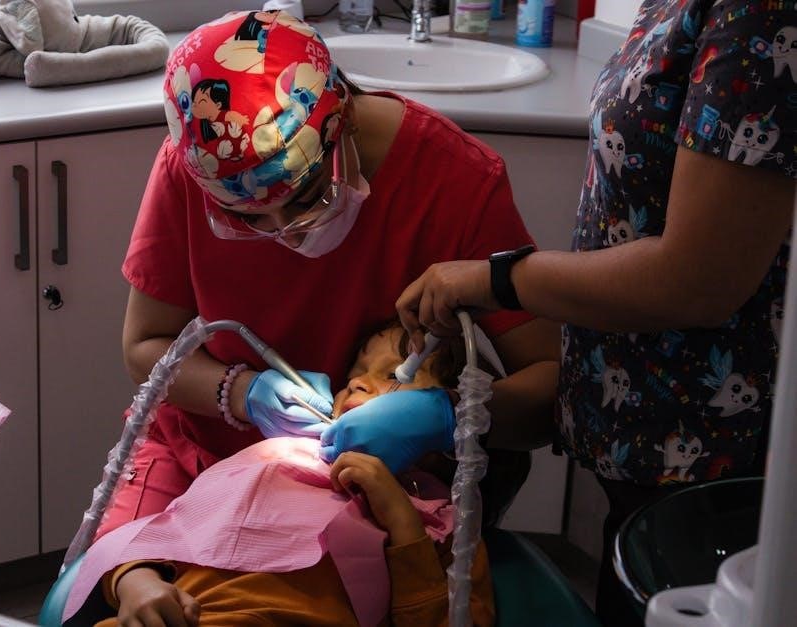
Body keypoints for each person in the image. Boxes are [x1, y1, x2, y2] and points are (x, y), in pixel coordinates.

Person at [383, 1, 795, 625]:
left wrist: (500, 280)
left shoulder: (761, 15)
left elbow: (699, 279)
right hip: (644, 443)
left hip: (713, 453)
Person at [103, 9, 559, 540]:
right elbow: (145, 346)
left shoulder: (455, 180)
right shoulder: (199, 162)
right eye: (249, 219)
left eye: (307, 199)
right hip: (199, 458)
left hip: (367, 493)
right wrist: (241, 392)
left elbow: (551, 384)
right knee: (118, 579)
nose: (288, 234)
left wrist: (447, 416)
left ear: (346, 122)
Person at [69, 324, 494, 627]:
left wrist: (401, 520)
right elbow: (171, 528)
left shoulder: (443, 521)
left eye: (393, 375)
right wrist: (135, 579)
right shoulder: (269, 460)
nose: (359, 382)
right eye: (355, 372)